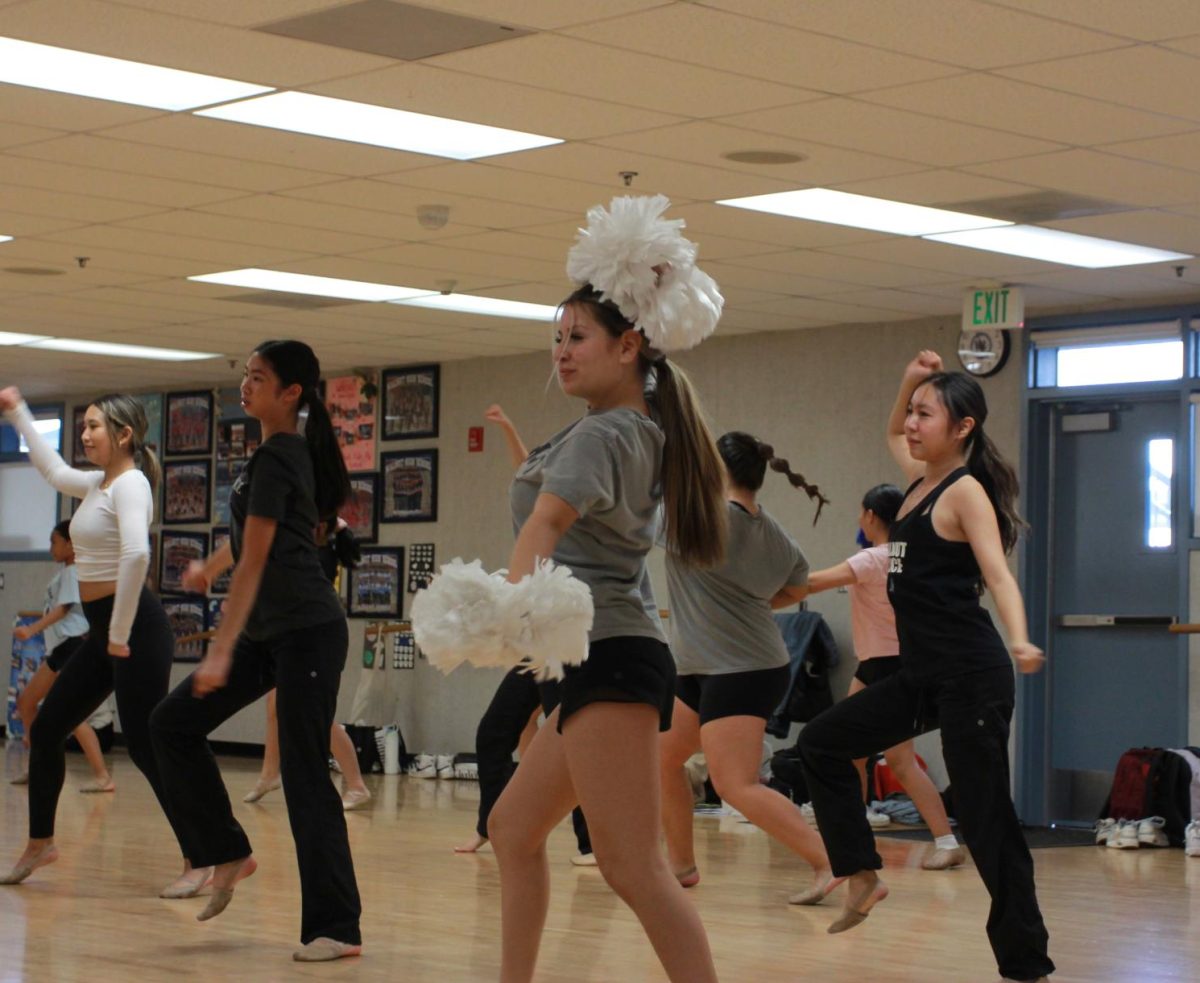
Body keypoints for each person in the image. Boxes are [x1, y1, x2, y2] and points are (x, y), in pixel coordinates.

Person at [486, 195, 727, 983]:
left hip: (611, 656)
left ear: (628, 347)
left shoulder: (605, 433)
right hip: (599, 652)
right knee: (514, 827)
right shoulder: (622, 427)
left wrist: (504, 620)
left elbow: (542, 530)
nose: (561, 351)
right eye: (556, 337)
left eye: (577, 337)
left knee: (634, 867)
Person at [796, 351, 1054, 983]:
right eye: (912, 413)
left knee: (987, 820)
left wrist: (1020, 639)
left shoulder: (965, 492)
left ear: (962, 428)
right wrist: (910, 379)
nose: (911, 424)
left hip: (972, 675)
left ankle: (1027, 967)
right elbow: (889, 432)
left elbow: (998, 575)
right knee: (822, 743)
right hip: (920, 675)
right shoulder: (917, 483)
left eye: (925, 414)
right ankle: (859, 873)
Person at [149, 340, 362, 963]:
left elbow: (263, 555)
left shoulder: (280, 455)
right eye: (244, 374)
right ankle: (229, 851)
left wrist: (219, 649)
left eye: (258, 377)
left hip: (306, 630)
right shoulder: (268, 456)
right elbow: (255, 539)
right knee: (172, 723)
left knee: (302, 772)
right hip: (273, 631)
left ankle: (337, 927)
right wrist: (211, 565)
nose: (245, 385)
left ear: (291, 392)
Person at [0, 388, 185, 889]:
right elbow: (54, 473)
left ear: (124, 435)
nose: (85, 434)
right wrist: (18, 413)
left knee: (148, 750)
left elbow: (138, 557)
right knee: (46, 727)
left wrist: (121, 633)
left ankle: (204, 856)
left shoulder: (131, 486)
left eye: (94, 426)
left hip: (136, 631)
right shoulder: (99, 484)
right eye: (82, 426)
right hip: (107, 631)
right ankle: (41, 842)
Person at [659, 430, 841, 906]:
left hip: (742, 669)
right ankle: (680, 867)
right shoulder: (776, 535)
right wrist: (752, 603)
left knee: (734, 784)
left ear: (714, 471)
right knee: (659, 758)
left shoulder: (697, 521)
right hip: (704, 664)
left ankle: (832, 862)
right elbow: (797, 588)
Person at [455, 406, 593, 863]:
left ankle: (592, 843)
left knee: (569, 741)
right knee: (494, 732)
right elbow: (524, 473)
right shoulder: (537, 500)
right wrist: (509, 429)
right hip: (535, 641)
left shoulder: (573, 511)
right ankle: (490, 827)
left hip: (562, 642)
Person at [803, 484, 966, 870]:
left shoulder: (875, 558)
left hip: (892, 666)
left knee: (900, 760)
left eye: (862, 511)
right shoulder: (906, 556)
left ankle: (946, 841)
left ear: (872, 516)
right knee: (849, 753)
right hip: (875, 664)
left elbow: (811, 582)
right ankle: (854, 842)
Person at [244, 519, 371, 812]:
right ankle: (269, 773)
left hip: (311, 638)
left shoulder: (317, 549)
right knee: (275, 704)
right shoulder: (313, 541)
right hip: (293, 635)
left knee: (311, 714)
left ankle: (356, 784)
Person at [12, 521, 113, 794]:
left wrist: (31, 629)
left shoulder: (73, 570)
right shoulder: (70, 573)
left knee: (68, 715)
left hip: (72, 647)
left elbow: (64, 609)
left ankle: (103, 776)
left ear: (70, 544)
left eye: (54, 542)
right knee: (27, 702)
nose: (51, 548)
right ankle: (38, 767)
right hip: (63, 649)